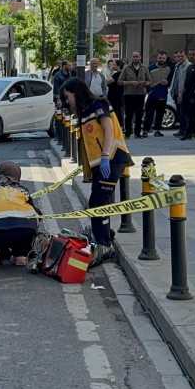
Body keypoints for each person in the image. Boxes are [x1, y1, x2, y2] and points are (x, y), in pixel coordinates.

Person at [60, 77, 133, 263]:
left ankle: (104, 244)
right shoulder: (84, 112)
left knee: (98, 203)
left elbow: (108, 130)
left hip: (112, 158)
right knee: (100, 202)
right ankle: (103, 235)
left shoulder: (98, 104)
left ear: (76, 92)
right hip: (102, 164)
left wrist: (106, 156)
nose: (67, 101)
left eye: (67, 97)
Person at [142, 51, 172, 137]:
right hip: (152, 94)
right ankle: (145, 131)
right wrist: (148, 88)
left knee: (160, 114)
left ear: (166, 59)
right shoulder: (150, 68)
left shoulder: (169, 68)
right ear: (157, 58)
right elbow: (146, 80)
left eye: (163, 58)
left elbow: (171, 80)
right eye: (160, 58)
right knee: (149, 114)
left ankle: (157, 130)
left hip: (163, 94)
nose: (161, 59)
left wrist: (167, 82)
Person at [177, 49, 195, 139]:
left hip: (193, 94)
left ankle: (188, 133)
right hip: (186, 93)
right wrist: (181, 93)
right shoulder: (189, 66)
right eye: (189, 54)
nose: (191, 56)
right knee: (185, 113)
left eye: (193, 54)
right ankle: (191, 131)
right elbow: (185, 81)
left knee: (191, 114)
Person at [121, 52, 149, 138]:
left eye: (137, 56)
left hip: (140, 94)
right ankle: (128, 133)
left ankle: (137, 133)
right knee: (128, 115)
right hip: (129, 94)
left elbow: (149, 81)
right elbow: (119, 81)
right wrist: (130, 82)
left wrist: (144, 83)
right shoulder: (126, 68)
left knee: (139, 115)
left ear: (140, 57)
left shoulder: (144, 68)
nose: (135, 58)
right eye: (134, 57)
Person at [105, 59, 126, 125]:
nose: (112, 66)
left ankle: (119, 125)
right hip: (118, 95)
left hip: (115, 96)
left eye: (114, 65)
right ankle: (120, 125)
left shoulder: (117, 74)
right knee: (118, 111)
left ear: (118, 66)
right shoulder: (121, 74)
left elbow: (108, 82)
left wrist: (110, 71)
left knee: (116, 111)